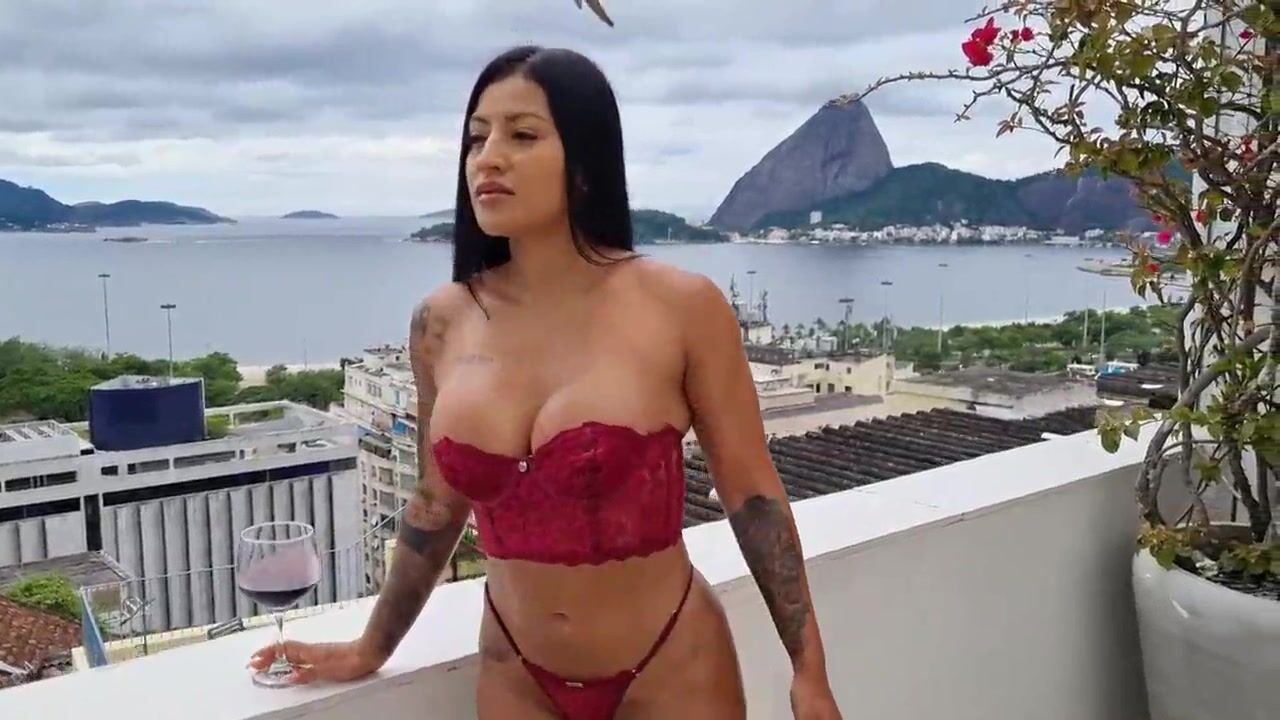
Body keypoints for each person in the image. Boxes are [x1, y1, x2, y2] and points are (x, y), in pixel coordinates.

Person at [248, 46, 843, 720]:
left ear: (585, 164)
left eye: (522, 135)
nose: (488, 158)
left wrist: (810, 673)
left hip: (671, 665)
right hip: (517, 674)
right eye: (477, 139)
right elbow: (435, 507)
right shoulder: (442, 322)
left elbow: (752, 496)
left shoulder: (681, 307)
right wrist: (371, 647)